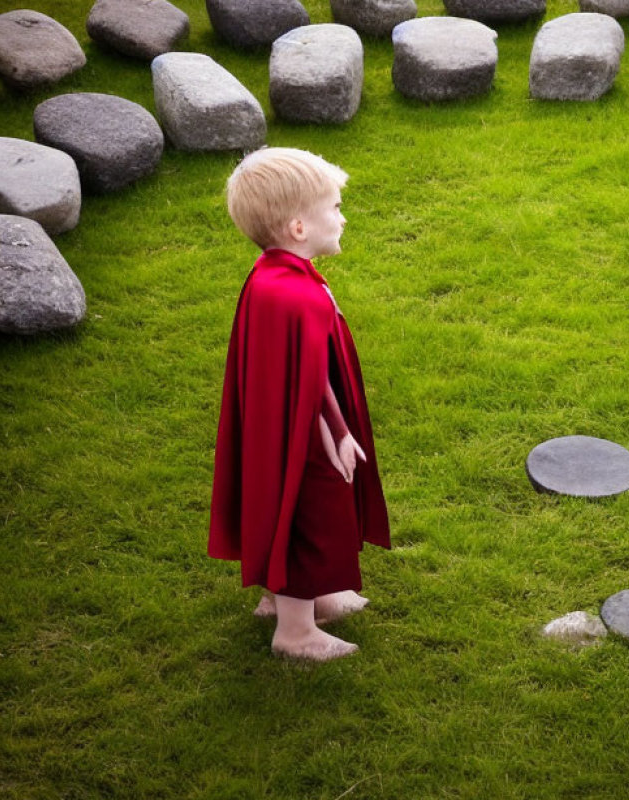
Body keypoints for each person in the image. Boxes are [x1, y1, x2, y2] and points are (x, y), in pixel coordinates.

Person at [208, 147, 391, 661]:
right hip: (297, 440)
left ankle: (300, 597)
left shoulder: (279, 276)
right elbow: (300, 382)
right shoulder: (291, 294)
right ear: (297, 227)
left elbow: (304, 372)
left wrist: (339, 426)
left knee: (306, 505)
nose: (343, 217)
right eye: (334, 208)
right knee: (304, 508)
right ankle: (295, 631)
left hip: (296, 425)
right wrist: (332, 436)